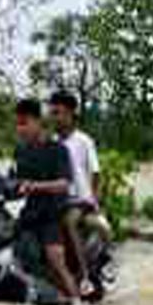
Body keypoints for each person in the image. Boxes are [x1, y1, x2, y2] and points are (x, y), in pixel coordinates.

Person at [12, 97, 81, 304]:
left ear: (37, 121)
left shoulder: (58, 150)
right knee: (7, 245)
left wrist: (35, 186)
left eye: (24, 123)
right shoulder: (20, 151)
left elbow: (64, 183)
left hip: (53, 214)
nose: (20, 129)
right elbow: (18, 182)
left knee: (55, 259)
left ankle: (78, 304)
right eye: (17, 124)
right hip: (30, 213)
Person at [49, 92, 112, 289]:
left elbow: (95, 173)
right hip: (59, 199)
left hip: (81, 200)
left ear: (70, 114)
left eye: (58, 113)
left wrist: (95, 202)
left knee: (70, 221)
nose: (54, 118)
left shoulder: (84, 141)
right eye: (52, 113)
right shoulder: (52, 142)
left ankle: (84, 276)